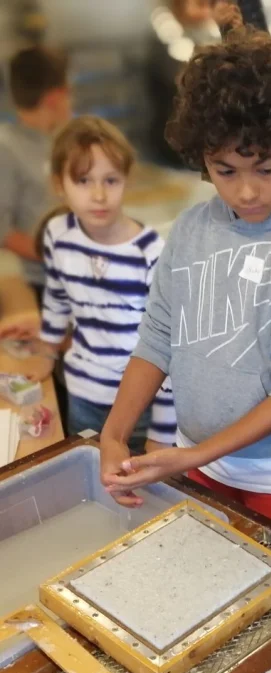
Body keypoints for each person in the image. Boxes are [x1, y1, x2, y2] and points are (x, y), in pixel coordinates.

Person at [100, 30, 271, 538]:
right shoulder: (193, 230)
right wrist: (114, 434)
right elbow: (157, 337)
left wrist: (191, 454)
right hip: (196, 456)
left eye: (266, 168)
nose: (247, 190)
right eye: (225, 170)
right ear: (203, 159)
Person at [35, 116, 176, 451]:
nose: (98, 195)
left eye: (110, 180)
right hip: (83, 396)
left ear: (127, 180)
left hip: (139, 406)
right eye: (83, 180)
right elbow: (56, 298)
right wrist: (45, 352)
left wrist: (163, 432)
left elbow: (170, 347)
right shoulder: (59, 234)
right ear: (59, 184)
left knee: (140, 495)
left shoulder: (151, 253)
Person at [0, 46, 71, 304]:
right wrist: (60, 255)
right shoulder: (7, 148)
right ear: (55, 97)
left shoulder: (58, 141)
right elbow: (3, 231)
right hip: (38, 286)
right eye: (69, 94)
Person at [147, 0, 243, 166]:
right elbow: (193, 83)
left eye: (210, 5)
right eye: (201, 4)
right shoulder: (167, 37)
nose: (208, 12)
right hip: (178, 140)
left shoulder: (207, 35)